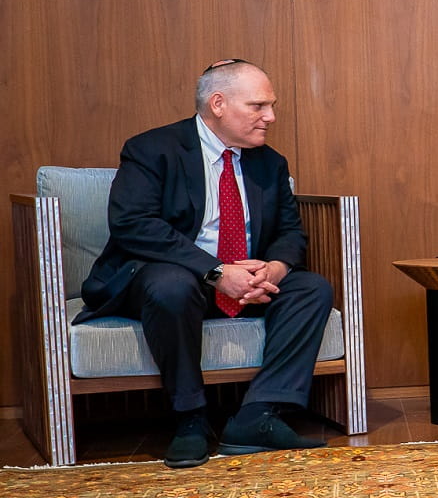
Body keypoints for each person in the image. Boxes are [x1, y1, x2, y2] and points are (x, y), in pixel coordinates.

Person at [78, 60, 336, 468]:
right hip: (168, 279)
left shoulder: (269, 162)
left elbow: (290, 233)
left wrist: (274, 269)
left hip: (244, 279)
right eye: (258, 106)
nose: (270, 116)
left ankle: (258, 416)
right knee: (170, 284)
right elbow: (134, 225)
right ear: (218, 103)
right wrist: (217, 273)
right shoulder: (152, 149)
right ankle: (191, 419)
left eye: (271, 106)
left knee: (312, 288)